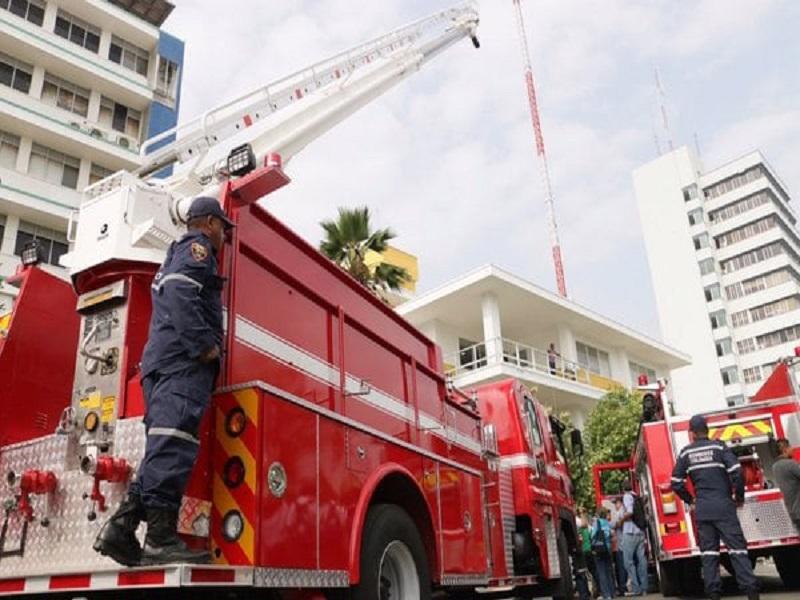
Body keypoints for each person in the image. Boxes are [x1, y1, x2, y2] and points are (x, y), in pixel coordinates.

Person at [93, 196, 234, 566]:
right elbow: (180, 293)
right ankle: (159, 540)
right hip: (181, 365)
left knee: (162, 448)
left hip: (164, 364)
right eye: (223, 227)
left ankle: (121, 528)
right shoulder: (198, 248)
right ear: (209, 222)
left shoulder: (176, 252)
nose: (224, 236)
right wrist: (203, 346)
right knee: (173, 445)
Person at [671, 414, 759, 600]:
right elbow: (737, 472)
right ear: (707, 430)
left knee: (709, 554)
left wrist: (691, 500)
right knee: (737, 550)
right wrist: (739, 496)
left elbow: (676, 483)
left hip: (703, 510)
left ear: (692, 433)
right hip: (724, 507)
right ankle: (751, 591)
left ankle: (713, 593)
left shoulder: (686, 453)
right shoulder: (719, 447)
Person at [620, 480, 647, 596]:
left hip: (630, 532)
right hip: (640, 531)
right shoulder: (636, 496)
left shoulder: (626, 496)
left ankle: (636, 588)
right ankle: (644, 588)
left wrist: (621, 520)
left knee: (628, 562)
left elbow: (630, 512)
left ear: (622, 489)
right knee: (642, 560)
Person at [773, 438, 800, 533]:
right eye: (790, 447)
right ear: (785, 449)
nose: (792, 449)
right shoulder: (791, 464)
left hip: (792, 512)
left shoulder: (775, 467)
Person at [591, 507, 616, 600]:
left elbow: (593, 535)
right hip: (608, 549)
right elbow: (610, 534)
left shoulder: (597, 522)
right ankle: (612, 593)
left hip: (599, 549)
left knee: (601, 572)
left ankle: (606, 595)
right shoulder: (607, 523)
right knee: (609, 571)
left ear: (598, 514)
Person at [610, 497, 629, 596]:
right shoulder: (624, 511)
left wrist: (606, 523)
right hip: (623, 543)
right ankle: (623, 586)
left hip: (621, 544)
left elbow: (613, 524)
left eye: (616, 503)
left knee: (621, 567)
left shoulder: (620, 512)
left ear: (620, 503)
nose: (615, 505)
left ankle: (622, 587)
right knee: (622, 566)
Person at [575, 513, 596, 600]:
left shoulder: (580, 529)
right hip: (588, 551)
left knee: (582, 573)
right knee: (591, 572)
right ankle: (589, 593)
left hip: (583, 552)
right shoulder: (589, 529)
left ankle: (585, 594)